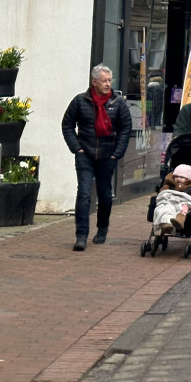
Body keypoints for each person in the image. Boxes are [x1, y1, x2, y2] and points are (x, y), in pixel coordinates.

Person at [62, 63, 133, 251]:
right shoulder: (80, 101)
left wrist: (116, 154)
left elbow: (126, 128)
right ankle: (81, 236)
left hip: (107, 155)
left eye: (110, 80)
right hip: (84, 153)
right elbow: (67, 125)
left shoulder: (118, 103)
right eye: (104, 81)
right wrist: (76, 148)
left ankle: (102, 228)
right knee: (84, 194)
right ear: (94, 82)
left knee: (105, 195)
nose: (108, 84)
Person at [153, 163, 191, 234]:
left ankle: (179, 221)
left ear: (188, 179)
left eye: (181, 177)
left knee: (183, 208)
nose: (178, 179)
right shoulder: (170, 185)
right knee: (165, 208)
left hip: (183, 202)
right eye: (176, 177)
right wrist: (164, 194)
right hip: (170, 201)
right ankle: (167, 224)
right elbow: (163, 192)